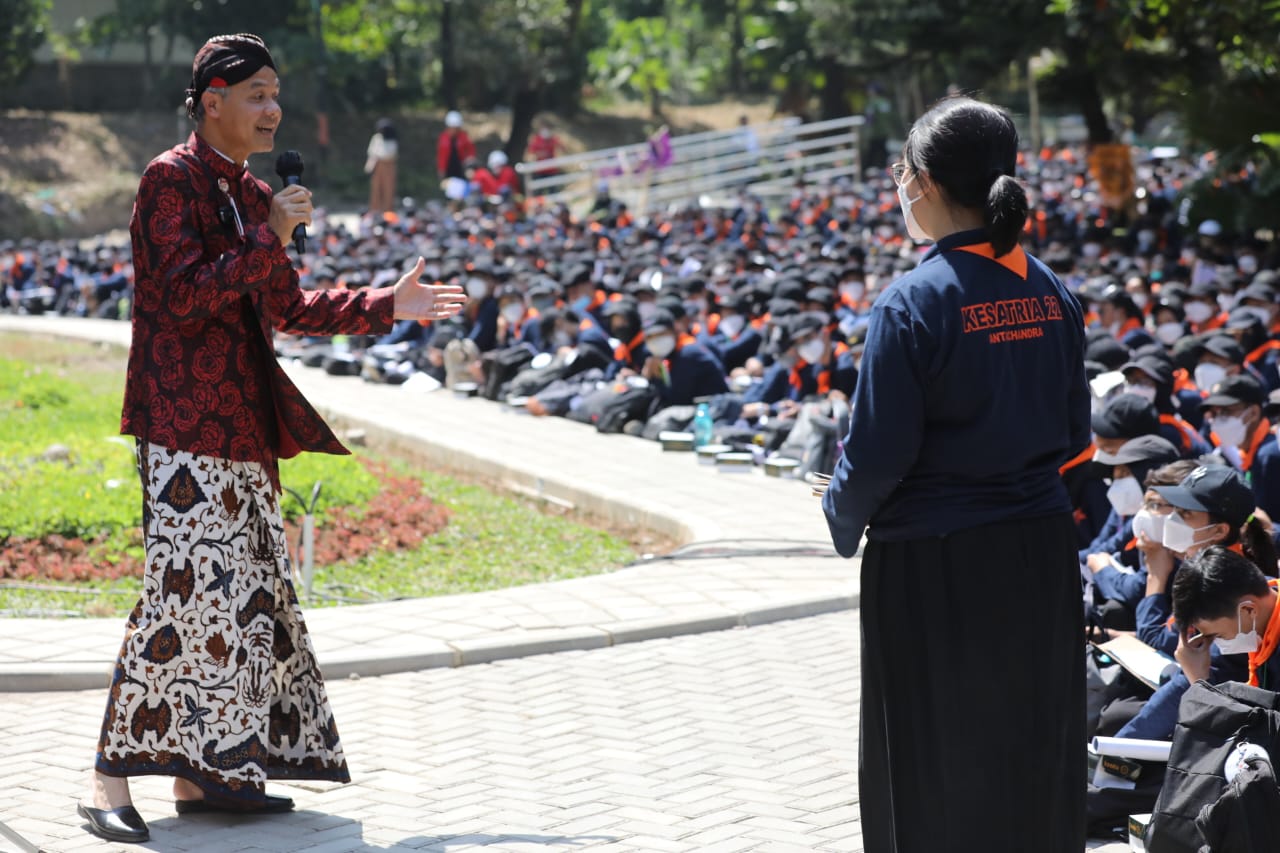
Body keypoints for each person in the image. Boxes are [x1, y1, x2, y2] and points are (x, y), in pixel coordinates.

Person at [77, 33, 467, 845]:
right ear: (210, 100)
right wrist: (269, 238)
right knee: (179, 595)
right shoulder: (168, 180)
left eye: (275, 93)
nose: (272, 109)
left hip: (245, 425)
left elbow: (285, 306)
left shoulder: (253, 195)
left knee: (249, 598)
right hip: (183, 422)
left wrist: (384, 305)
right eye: (255, 93)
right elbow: (180, 296)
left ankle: (204, 771)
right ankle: (107, 776)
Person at [820, 97, 1090, 852]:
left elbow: (874, 455)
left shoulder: (913, 301)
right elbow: (1075, 439)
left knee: (932, 766)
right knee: (1033, 753)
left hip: (935, 564)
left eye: (902, 171)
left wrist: (840, 517)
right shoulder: (1049, 289)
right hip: (1038, 553)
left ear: (926, 182)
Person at [364, 117, 398, 215]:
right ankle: (375, 210)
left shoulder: (392, 140)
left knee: (389, 189)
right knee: (376, 189)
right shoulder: (377, 137)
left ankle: (388, 211)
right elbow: (371, 151)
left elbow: (391, 154)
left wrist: (380, 156)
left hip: (388, 166)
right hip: (377, 165)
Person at [436, 110, 475, 182]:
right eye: (451, 128)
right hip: (448, 169)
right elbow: (441, 155)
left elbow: (471, 150)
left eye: (455, 128)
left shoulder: (464, 137)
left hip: (461, 168)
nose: (453, 130)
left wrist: (470, 163)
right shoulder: (443, 138)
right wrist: (441, 169)